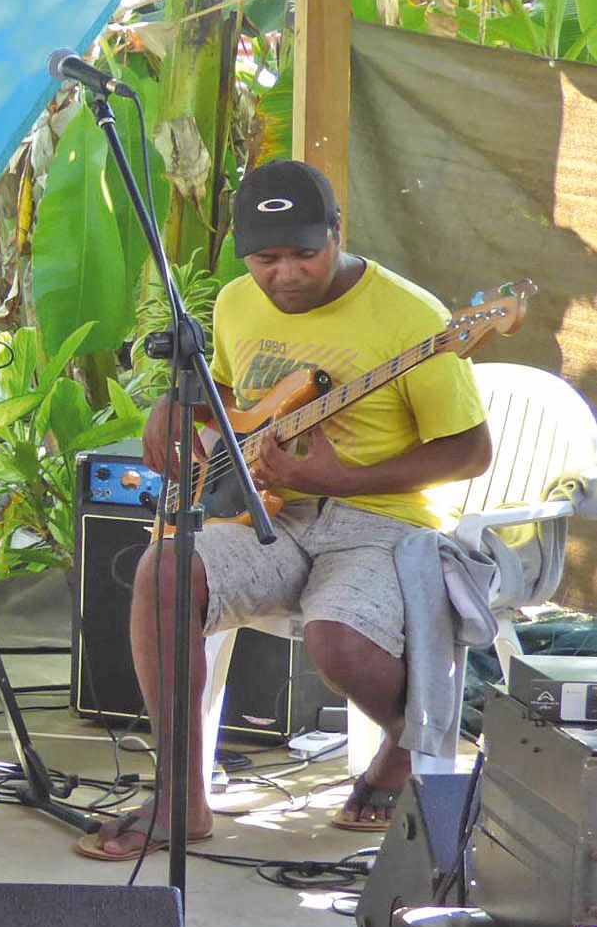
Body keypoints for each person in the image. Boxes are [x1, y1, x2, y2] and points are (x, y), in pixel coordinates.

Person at [75, 160, 492, 861]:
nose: (286, 274)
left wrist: (346, 476)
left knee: (336, 641)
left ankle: (405, 740)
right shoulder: (235, 303)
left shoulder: (412, 317)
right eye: (266, 258)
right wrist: (175, 402)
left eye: (304, 252)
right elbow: (240, 408)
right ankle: (182, 797)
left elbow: (469, 452)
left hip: (386, 518)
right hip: (273, 511)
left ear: (336, 232)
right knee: (163, 570)